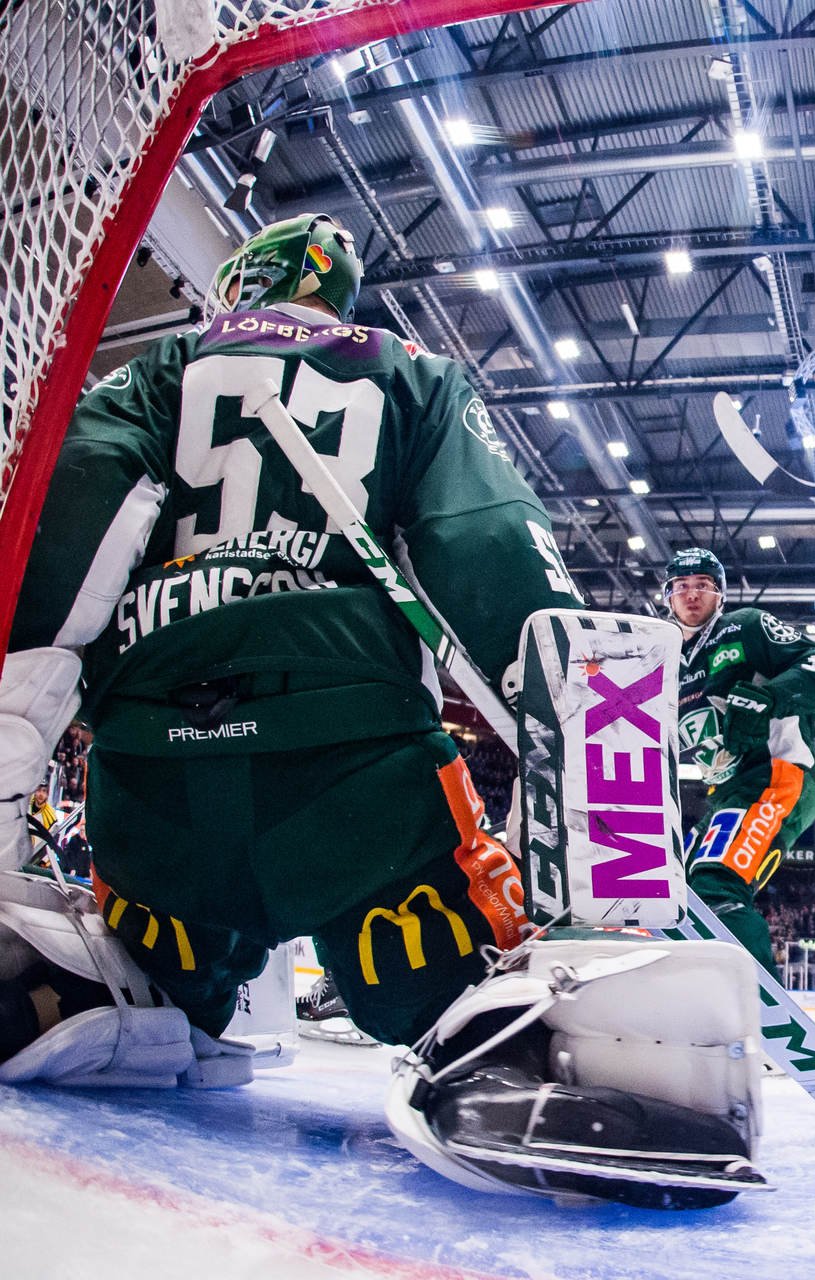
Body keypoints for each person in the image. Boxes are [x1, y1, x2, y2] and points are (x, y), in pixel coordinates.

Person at [0, 214, 765, 1206]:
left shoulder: (158, 371)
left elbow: (58, 552)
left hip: (151, 800)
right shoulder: (409, 374)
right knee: (433, 976)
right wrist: (598, 837)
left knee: (174, 956)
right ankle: (526, 1046)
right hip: (353, 790)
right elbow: (497, 562)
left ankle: (120, 988)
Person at [667, 546, 815, 974]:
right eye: (681, 586)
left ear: (720, 594)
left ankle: (759, 1006)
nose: (692, 594)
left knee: (716, 886)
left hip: (778, 774)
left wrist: (769, 697)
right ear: (668, 596)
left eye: (703, 585)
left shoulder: (745, 626)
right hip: (726, 793)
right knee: (679, 895)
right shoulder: (665, 662)